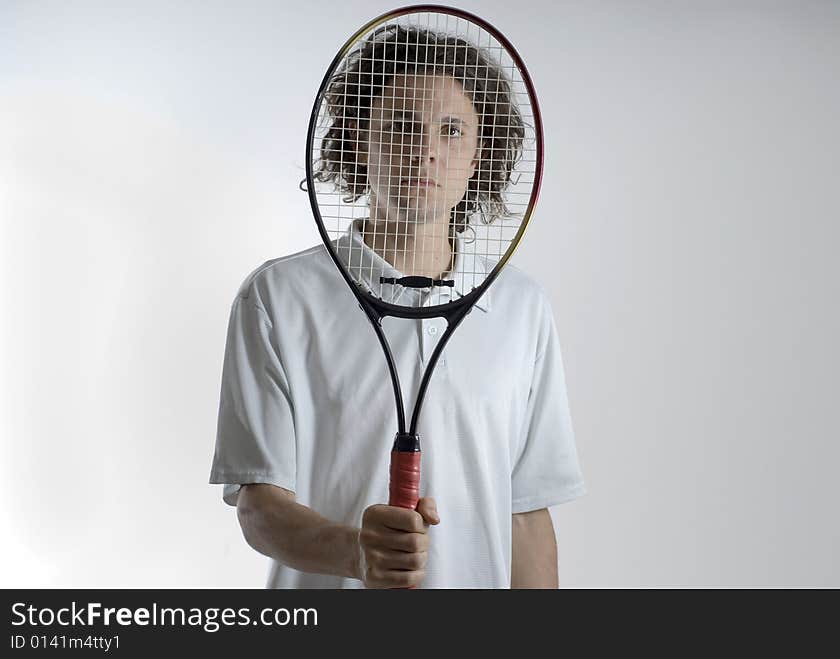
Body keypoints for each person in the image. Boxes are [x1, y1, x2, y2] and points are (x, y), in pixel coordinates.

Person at [209, 24, 586, 588]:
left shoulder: (521, 308)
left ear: (482, 151)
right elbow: (259, 506)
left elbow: (527, 514)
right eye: (402, 126)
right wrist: (357, 554)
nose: (427, 149)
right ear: (360, 142)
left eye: (452, 130)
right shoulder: (277, 297)